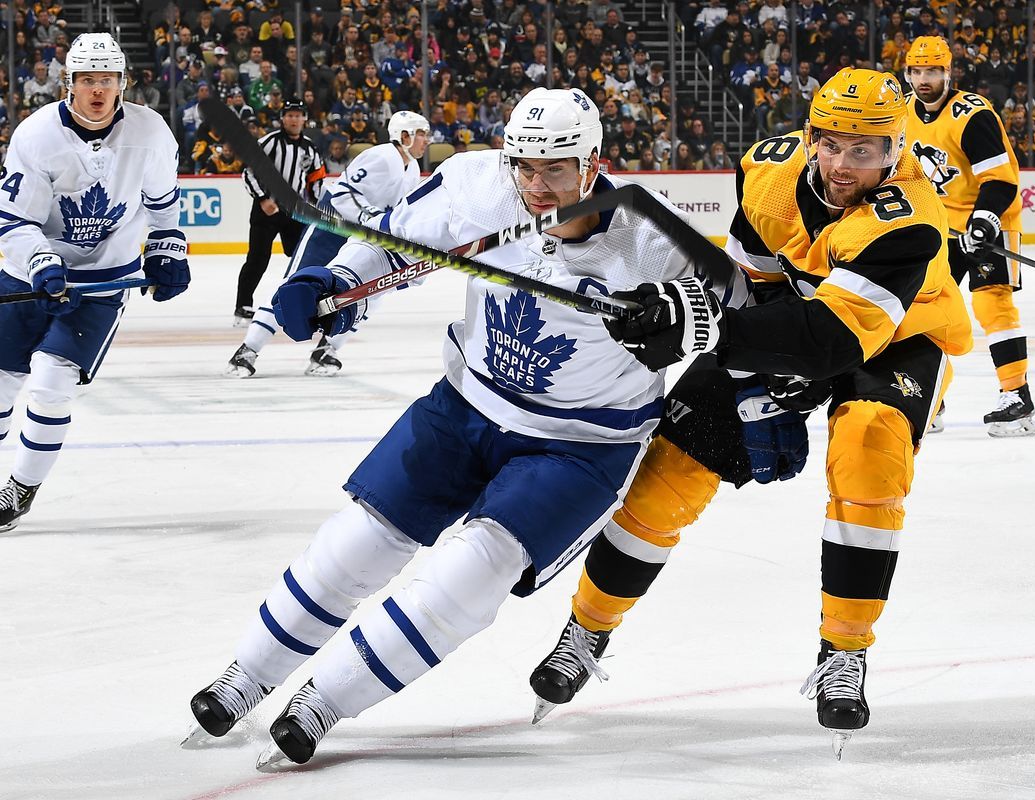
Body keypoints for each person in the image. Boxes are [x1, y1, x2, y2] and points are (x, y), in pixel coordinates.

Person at [184, 87, 722, 768]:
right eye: (523, 166)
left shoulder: (650, 234)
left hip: (580, 445)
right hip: (466, 404)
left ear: (592, 164)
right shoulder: (476, 186)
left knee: (473, 574)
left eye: (554, 169)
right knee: (358, 541)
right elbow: (394, 243)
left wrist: (682, 315)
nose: (535, 185)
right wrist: (332, 283)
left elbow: (734, 307)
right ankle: (247, 676)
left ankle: (325, 700)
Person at [526, 68, 971, 758]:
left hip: (895, 337)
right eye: (830, 143)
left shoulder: (909, 220)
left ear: (896, 150)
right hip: (788, 321)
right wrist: (747, 383)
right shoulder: (767, 174)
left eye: (865, 150)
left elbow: (832, 341)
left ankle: (845, 649)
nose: (842, 164)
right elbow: (750, 292)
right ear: (809, 135)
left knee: (869, 450)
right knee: (671, 467)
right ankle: (586, 629)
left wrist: (704, 330)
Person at [0, 34, 190, 530]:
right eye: (87, 79)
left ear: (122, 83)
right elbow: (12, 220)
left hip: (100, 285)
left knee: (52, 382)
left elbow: (163, 205)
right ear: (69, 83)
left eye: (106, 79)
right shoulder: (36, 135)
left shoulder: (151, 133)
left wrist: (168, 248)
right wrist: (42, 261)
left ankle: (20, 488)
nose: (98, 89)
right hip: (28, 277)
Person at [225, 111, 430, 378]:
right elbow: (343, 193)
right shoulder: (381, 156)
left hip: (363, 237)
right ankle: (247, 351)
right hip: (331, 228)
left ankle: (326, 351)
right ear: (405, 136)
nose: (427, 140)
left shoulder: (412, 169)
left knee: (369, 294)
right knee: (295, 287)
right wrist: (373, 218)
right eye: (422, 133)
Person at [905, 36, 1035, 436]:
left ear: (949, 72)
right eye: (916, 71)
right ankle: (929, 398)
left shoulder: (971, 115)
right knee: (921, 305)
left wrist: (983, 221)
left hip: (991, 220)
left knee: (990, 303)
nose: (923, 79)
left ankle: (1017, 398)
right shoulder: (904, 112)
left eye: (932, 71)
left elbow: (1000, 181)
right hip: (940, 226)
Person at [235, 102, 326, 324]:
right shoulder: (269, 142)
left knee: (305, 257)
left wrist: (317, 206)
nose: (294, 120)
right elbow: (249, 173)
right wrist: (263, 198)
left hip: (294, 212)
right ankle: (243, 307)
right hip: (266, 211)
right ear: (282, 119)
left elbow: (316, 179)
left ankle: (306, 302)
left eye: (298, 115)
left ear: (305, 119)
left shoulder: (310, 148)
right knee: (258, 259)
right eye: (290, 115)